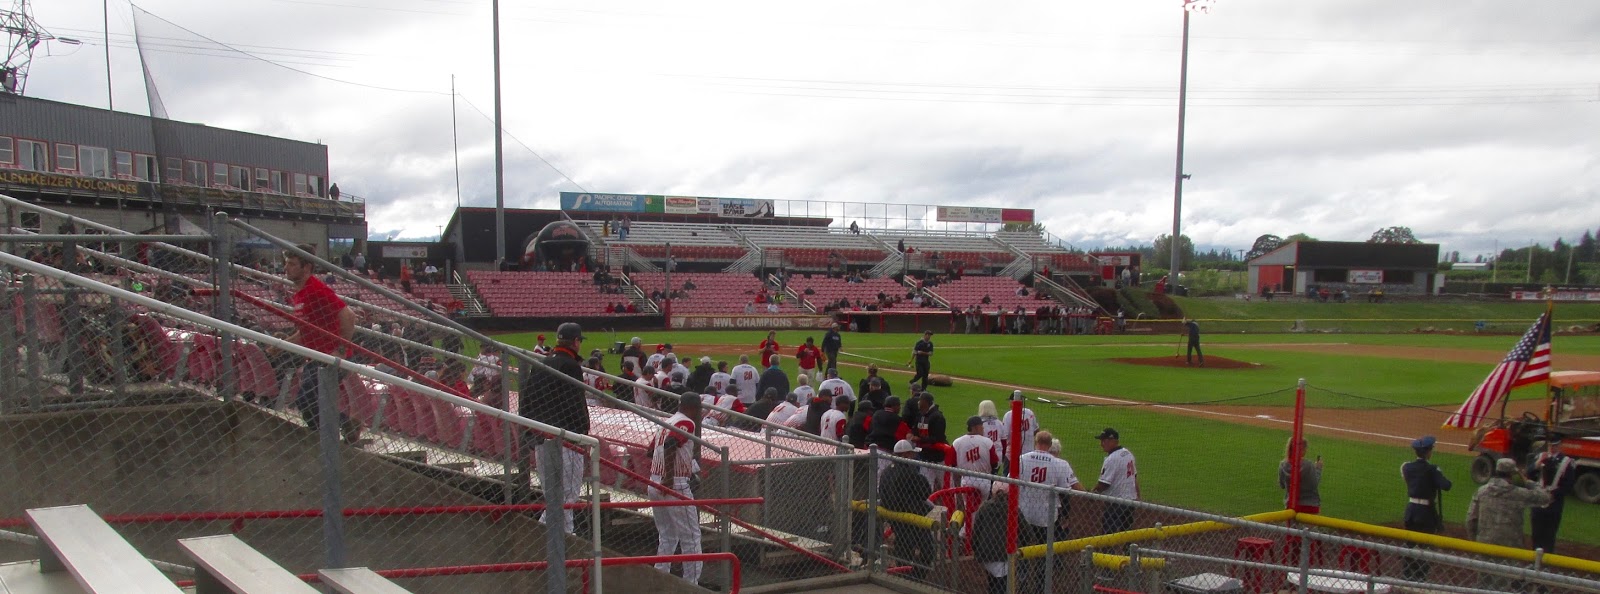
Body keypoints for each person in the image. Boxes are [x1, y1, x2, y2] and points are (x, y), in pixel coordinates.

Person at [283, 243, 361, 442]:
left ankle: (332, 436)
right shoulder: (300, 293)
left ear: (307, 267)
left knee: (306, 400)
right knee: (310, 401)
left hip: (330, 357)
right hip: (317, 357)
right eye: (287, 263)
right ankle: (338, 430)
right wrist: (280, 345)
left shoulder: (316, 290)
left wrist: (340, 350)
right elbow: (305, 331)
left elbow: (349, 317)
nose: (286, 268)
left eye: (292, 264)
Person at [519, 322, 592, 534]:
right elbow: (575, 404)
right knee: (567, 496)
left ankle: (553, 538)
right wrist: (582, 434)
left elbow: (527, 401)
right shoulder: (570, 366)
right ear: (576, 342)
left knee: (553, 496)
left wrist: (529, 432)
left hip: (542, 437)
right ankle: (562, 539)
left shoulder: (543, 363)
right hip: (566, 439)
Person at [650, 393, 705, 588]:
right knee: (691, 537)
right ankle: (691, 585)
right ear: (695, 408)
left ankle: (659, 576)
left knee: (668, 535)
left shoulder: (667, 421)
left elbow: (650, 451)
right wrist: (669, 477)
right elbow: (671, 444)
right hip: (674, 483)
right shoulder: (686, 422)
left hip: (654, 481)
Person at [1019, 431, 1083, 591]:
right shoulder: (1059, 464)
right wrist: (1066, 514)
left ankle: (1022, 584)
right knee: (1044, 552)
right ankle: (1040, 587)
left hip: (1024, 514)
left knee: (1022, 550)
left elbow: (1010, 483)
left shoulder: (1022, 459)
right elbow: (1066, 492)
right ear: (1049, 445)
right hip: (1046, 517)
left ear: (1036, 442)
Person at [1467, 457, 1551, 550]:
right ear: (1512, 474)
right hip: (1511, 547)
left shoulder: (1481, 491)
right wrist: (1527, 482)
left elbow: (1471, 519)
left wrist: (1475, 541)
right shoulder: (1519, 494)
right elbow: (1545, 497)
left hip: (1484, 545)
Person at [880, 439, 936, 577]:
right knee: (928, 550)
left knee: (903, 547)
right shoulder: (909, 472)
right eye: (911, 454)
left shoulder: (887, 471)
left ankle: (904, 574)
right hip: (912, 517)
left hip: (894, 517)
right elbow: (925, 492)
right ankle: (916, 577)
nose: (914, 457)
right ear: (906, 455)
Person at [1400, 435, 1452, 582]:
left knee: (1410, 544)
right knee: (1425, 546)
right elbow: (1446, 485)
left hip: (1411, 510)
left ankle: (1407, 575)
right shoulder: (1432, 469)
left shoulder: (1406, 467)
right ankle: (1421, 577)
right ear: (1428, 452)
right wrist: (1438, 473)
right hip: (1426, 513)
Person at [1529, 437, 1579, 553]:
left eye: (1555, 445)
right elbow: (1529, 474)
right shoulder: (1541, 457)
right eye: (1550, 445)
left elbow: (1568, 484)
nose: (1552, 448)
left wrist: (1554, 495)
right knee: (1536, 532)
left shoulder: (1567, 462)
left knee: (1549, 533)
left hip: (1554, 502)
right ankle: (1534, 557)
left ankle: (1547, 557)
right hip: (1538, 499)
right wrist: (1537, 465)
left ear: (1560, 446)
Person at [1094, 428, 1138, 535]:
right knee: (1127, 533)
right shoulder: (1128, 453)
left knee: (1108, 534)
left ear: (1114, 441)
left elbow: (1104, 484)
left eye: (1104, 441)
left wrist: (1092, 493)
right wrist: (1138, 495)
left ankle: (1109, 547)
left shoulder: (1112, 459)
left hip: (1115, 503)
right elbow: (1134, 477)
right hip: (1130, 501)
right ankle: (1128, 546)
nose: (1102, 444)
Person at [971, 482, 1011, 594]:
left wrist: (976, 550)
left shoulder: (984, 507)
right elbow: (1027, 533)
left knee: (993, 582)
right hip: (1003, 556)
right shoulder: (1012, 509)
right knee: (1001, 585)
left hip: (985, 553)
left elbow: (976, 532)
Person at [952, 416, 1001, 495]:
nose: (983, 428)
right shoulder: (987, 442)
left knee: (966, 502)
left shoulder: (957, 442)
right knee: (983, 502)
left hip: (966, 480)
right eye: (981, 426)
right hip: (984, 480)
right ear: (975, 427)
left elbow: (952, 463)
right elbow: (994, 463)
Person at [911, 393, 950, 489]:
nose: (918, 402)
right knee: (926, 486)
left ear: (926, 402)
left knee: (946, 486)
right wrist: (912, 434)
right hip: (925, 457)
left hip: (939, 458)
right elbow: (915, 429)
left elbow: (937, 437)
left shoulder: (937, 417)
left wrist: (920, 439)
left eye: (920, 400)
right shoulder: (920, 415)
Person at [1279, 438, 1323, 513]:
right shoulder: (1308, 465)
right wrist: (1318, 469)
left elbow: (1282, 485)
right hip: (1309, 506)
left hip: (1291, 506)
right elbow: (1314, 484)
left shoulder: (1283, 465)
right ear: (1302, 450)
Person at [869, 397, 912, 472]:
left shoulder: (876, 414)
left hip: (872, 449)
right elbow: (904, 436)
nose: (899, 408)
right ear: (894, 406)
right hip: (886, 453)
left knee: (872, 475)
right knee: (883, 476)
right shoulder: (897, 419)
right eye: (898, 405)